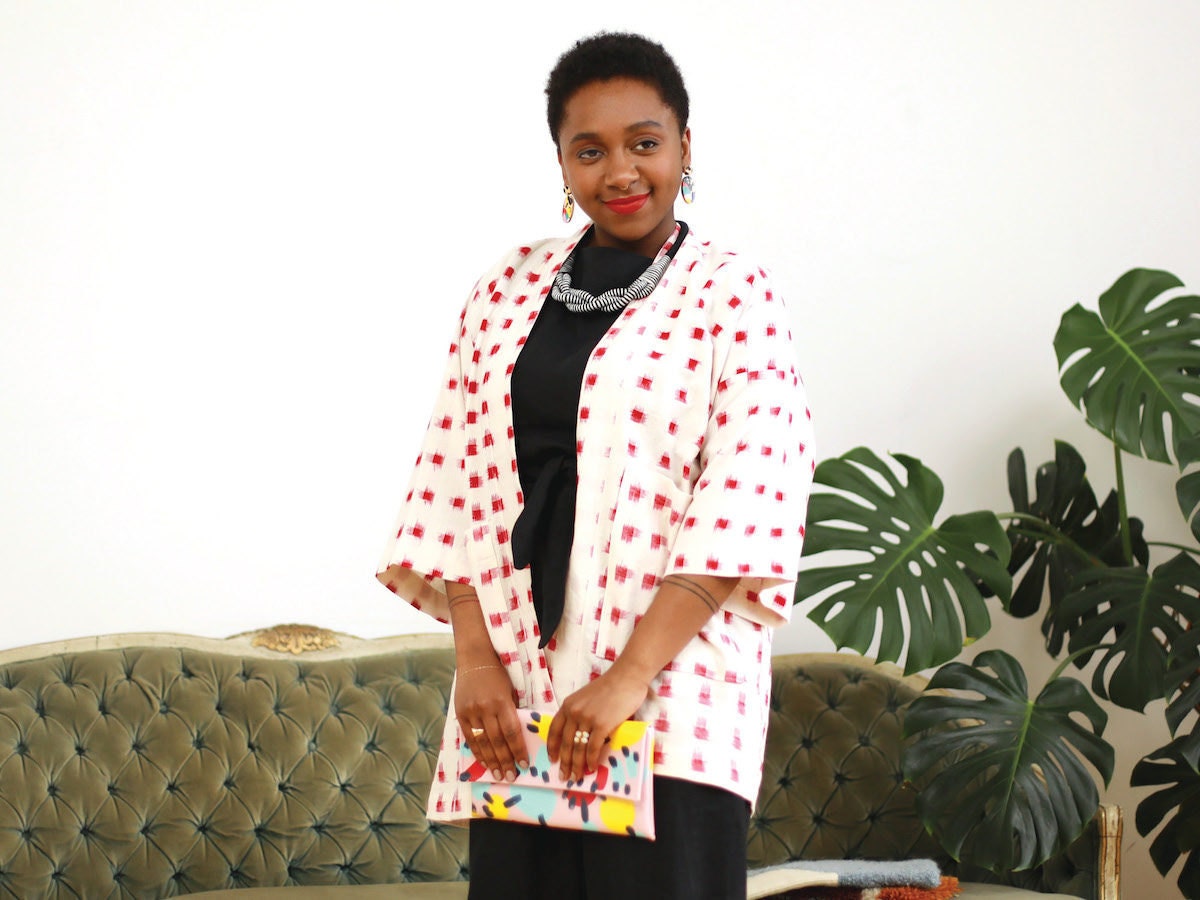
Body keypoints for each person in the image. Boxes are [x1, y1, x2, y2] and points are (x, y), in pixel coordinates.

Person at [377, 31, 814, 900]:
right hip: (516, 698)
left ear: (684, 148)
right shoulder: (506, 287)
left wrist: (627, 679)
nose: (620, 171)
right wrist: (475, 665)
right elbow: (458, 478)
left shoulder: (734, 293)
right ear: (563, 163)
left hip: (670, 694)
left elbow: (746, 493)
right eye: (591, 150)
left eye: (644, 143)